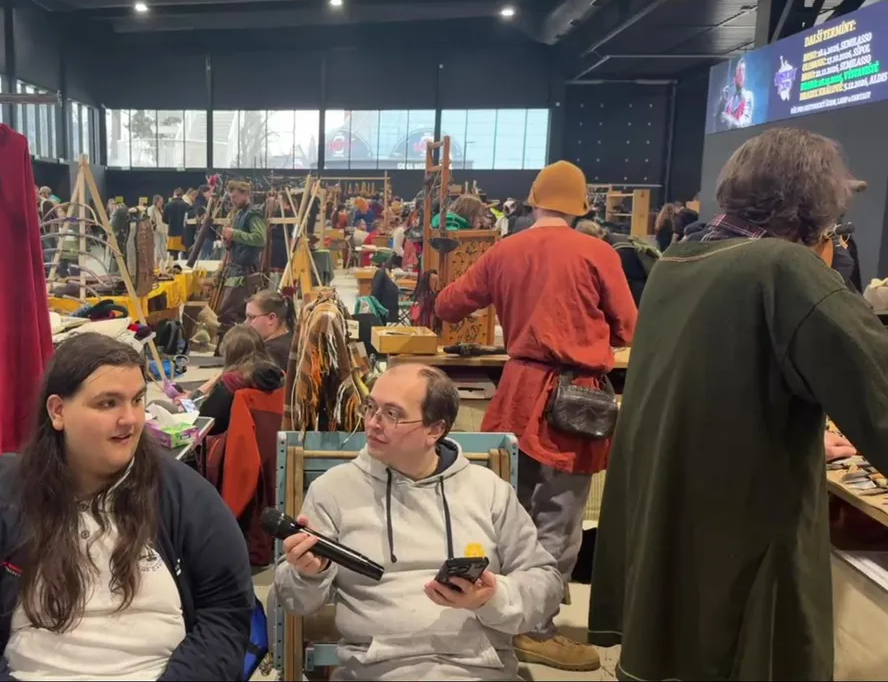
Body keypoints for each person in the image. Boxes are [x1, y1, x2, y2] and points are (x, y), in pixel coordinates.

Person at [589, 128, 888, 681]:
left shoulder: (679, 260)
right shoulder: (782, 268)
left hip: (677, 514)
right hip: (742, 532)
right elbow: (887, 389)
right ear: (813, 204)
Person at [0, 335, 254, 681]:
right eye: (107, 403)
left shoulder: (187, 499)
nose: (129, 419)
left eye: (137, 400)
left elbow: (227, 614)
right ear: (58, 411)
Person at [435, 160, 637, 672]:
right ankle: (535, 628)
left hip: (519, 391)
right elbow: (629, 328)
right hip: (577, 396)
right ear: (580, 206)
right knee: (560, 519)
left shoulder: (505, 249)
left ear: (534, 200)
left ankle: (501, 611)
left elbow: (448, 305)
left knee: (510, 510)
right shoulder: (597, 252)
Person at [273, 364, 563, 681]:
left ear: (434, 430)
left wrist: (493, 598)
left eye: (392, 414)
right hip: (375, 671)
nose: (372, 423)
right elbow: (292, 601)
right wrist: (307, 575)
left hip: (478, 670)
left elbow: (545, 581)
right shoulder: (333, 490)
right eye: (370, 407)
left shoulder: (488, 490)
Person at [198, 326, 285, 437]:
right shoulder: (279, 377)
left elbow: (207, 425)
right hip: (274, 441)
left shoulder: (231, 383)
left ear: (229, 353)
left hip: (238, 444)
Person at [216, 181, 266, 342]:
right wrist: (229, 242)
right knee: (235, 313)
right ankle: (235, 347)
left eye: (235, 197)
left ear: (246, 194)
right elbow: (239, 242)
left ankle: (233, 347)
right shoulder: (239, 214)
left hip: (245, 271)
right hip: (236, 268)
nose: (233, 201)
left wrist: (235, 234)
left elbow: (260, 239)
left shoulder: (253, 214)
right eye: (231, 198)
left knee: (227, 313)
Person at [244, 290, 295, 372]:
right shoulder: (291, 337)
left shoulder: (270, 354)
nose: (246, 323)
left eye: (251, 317)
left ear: (271, 318)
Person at [165, 188, 190, 261]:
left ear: (174, 194)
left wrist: (170, 222)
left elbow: (164, 219)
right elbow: (189, 219)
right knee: (185, 256)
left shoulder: (167, 205)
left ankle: (173, 267)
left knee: (173, 257)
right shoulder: (187, 205)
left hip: (172, 233)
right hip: (184, 233)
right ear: (182, 195)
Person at [150, 195, 169, 271]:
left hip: (162, 230)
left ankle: (163, 262)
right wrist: (154, 226)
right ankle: (156, 264)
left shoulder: (160, 209)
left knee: (163, 247)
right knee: (157, 248)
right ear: (156, 201)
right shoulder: (152, 209)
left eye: (162, 202)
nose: (162, 203)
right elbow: (151, 220)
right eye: (160, 202)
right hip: (156, 231)